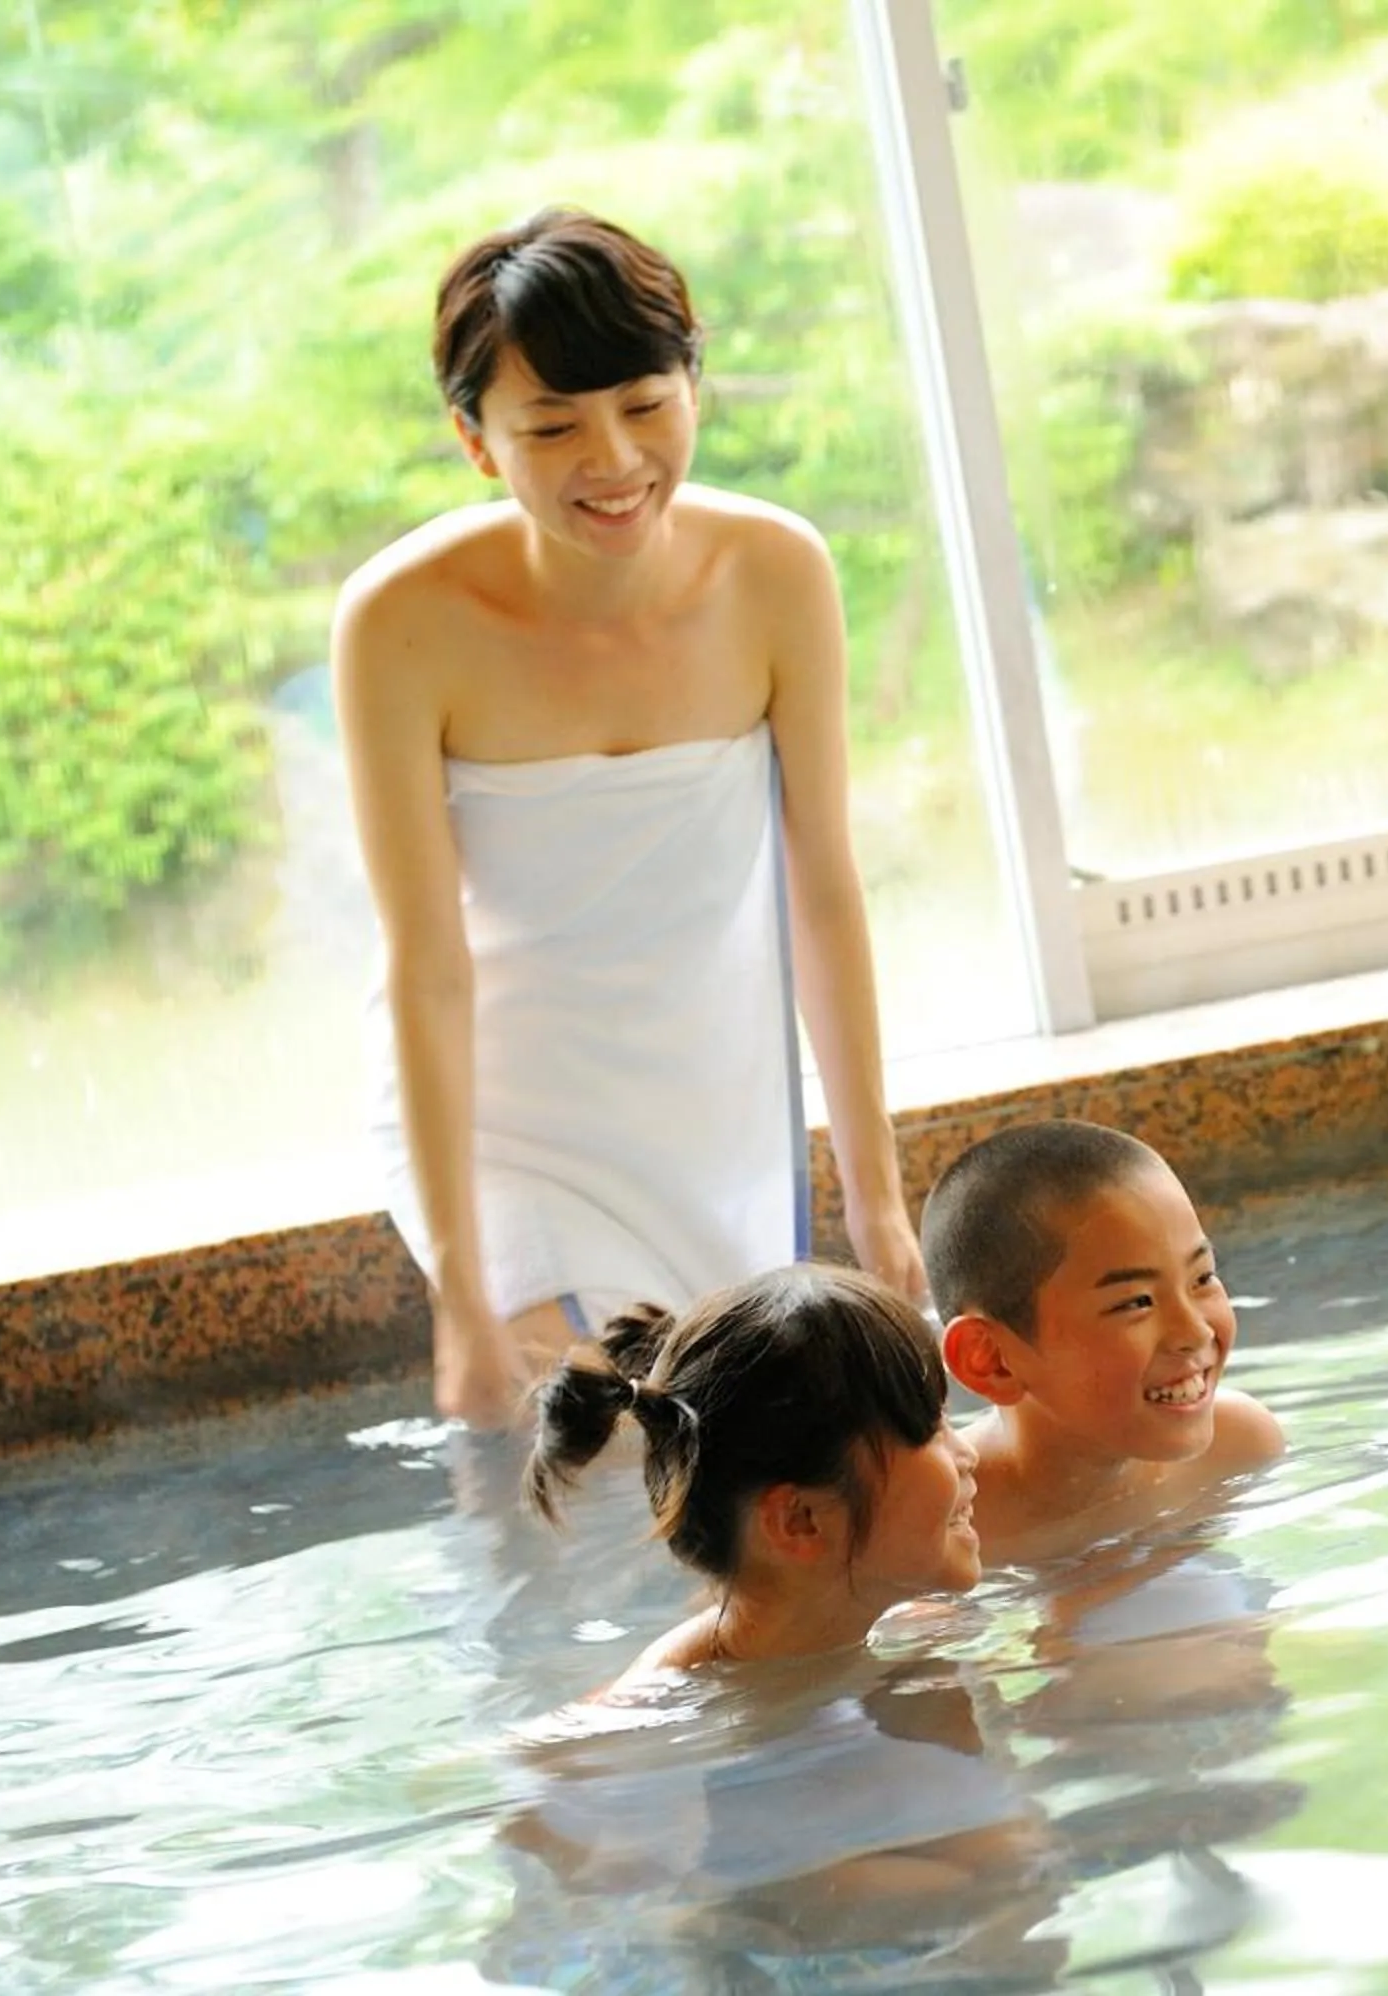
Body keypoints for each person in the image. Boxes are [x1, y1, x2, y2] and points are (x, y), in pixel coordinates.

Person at [335, 205, 923, 1430]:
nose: (612, 459)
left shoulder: (775, 572)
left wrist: (877, 1194)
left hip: (707, 1097)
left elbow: (822, 884)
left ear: (694, 383)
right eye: (552, 426)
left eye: (647, 404)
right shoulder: (401, 620)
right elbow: (423, 963)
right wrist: (457, 1284)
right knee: (585, 1453)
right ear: (476, 442)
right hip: (508, 1120)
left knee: (733, 1488)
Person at [524, 1262, 981, 1681]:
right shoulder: (655, 1715)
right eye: (930, 1430)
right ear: (798, 1521)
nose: (968, 1453)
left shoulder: (922, 1634)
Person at [921, 1120, 1285, 1565]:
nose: (1195, 1332)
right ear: (991, 1360)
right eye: (1136, 1302)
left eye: (1202, 1277)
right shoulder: (939, 1535)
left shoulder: (1239, 1447)